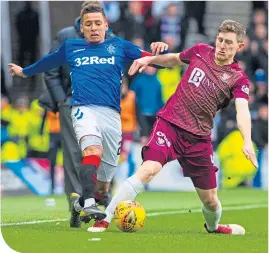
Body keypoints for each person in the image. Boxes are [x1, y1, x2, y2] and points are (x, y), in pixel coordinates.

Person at [88, 19, 258, 234]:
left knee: (211, 201)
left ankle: (214, 227)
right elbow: (174, 60)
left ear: (239, 47)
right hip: (170, 124)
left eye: (228, 43)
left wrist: (246, 140)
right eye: (220, 40)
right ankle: (106, 217)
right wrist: (150, 60)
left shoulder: (238, 78)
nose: (222, 46)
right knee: (149, 169)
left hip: (198, 138)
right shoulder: (200, 52)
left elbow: (242, 110)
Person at [8, 5, 168, 228]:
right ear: (82, 28)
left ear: (106, 25)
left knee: (103, 185)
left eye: (97, 23)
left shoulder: (118, 46)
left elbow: (152, 61)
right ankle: (89, 202)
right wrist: (24, 71)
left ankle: (82, 202)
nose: (93, 28)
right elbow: (49, 62)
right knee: (92, 150)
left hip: (112, 115)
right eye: (88, 24)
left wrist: (160, 52)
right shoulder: (72, 46)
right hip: (83, 108)